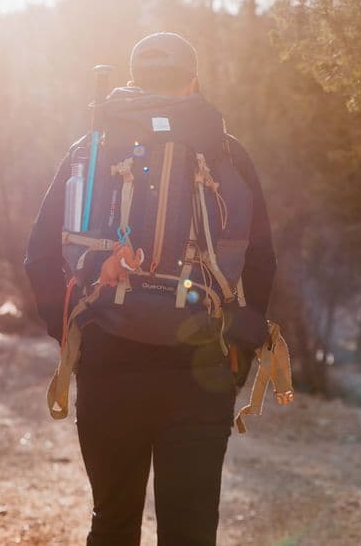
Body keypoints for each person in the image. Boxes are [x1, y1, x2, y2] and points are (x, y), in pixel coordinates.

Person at [23, 32, 277, 546]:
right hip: (201, 369)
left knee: (113, 524)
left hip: (110, 361)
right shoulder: (227, 152)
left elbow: (41, 257)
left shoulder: (92, 147)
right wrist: (239, 351)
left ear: (134, 79)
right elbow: (261, 260)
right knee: (190, 531)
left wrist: (75, 336)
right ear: (193, 80)